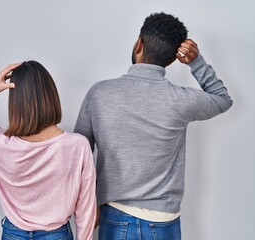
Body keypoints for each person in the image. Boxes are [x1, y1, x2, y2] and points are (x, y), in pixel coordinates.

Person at [74, 12, 233, 240]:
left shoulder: (99, 93)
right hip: (163, 222)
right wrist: (196, 62)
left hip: (114, 216)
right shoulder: (181, 99)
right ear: (171, 61)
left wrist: (87, 203)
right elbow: (222, 99)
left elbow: (78, 155)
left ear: (139, 44)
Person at [0, 61, 96, 240]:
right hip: (57, 235)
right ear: (51, 95)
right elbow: (85, 209)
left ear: (15, 102)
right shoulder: (77, 146)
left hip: (13, 234)